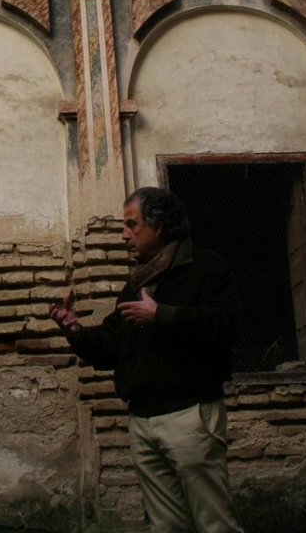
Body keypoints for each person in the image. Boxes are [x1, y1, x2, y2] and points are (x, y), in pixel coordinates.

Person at [48, 187, 244, 533]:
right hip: (143, 419)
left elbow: (228, 326)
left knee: (215, 524)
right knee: (164, 526)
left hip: (190, 414)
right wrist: (76, 332)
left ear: (159, 225)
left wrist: (163, 315)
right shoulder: (139, 281)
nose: (124, 235)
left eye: (131, 224)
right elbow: (113, 345)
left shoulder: (206, 267)